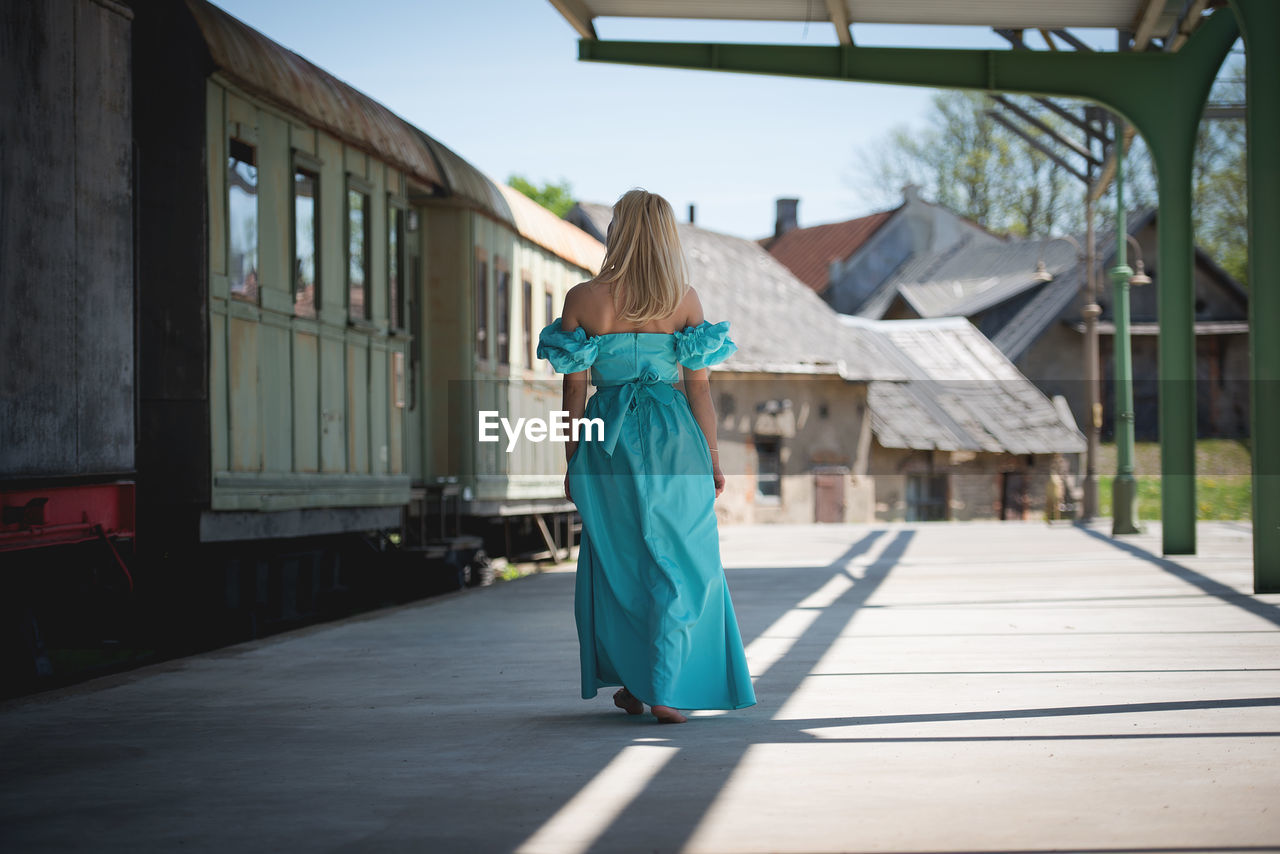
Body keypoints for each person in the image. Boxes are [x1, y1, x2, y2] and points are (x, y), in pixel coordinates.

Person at [536, 189, 756, 724]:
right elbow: (698, 390)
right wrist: (713, 458)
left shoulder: (583, 299)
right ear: (664, 236)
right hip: (674, 438)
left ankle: (640, 684)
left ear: (619, 232)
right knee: (684, 560)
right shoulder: (683, 299)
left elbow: (574, 393)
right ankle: (665, 689)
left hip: (606, 441)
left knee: (620, 562)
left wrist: (573, 461)